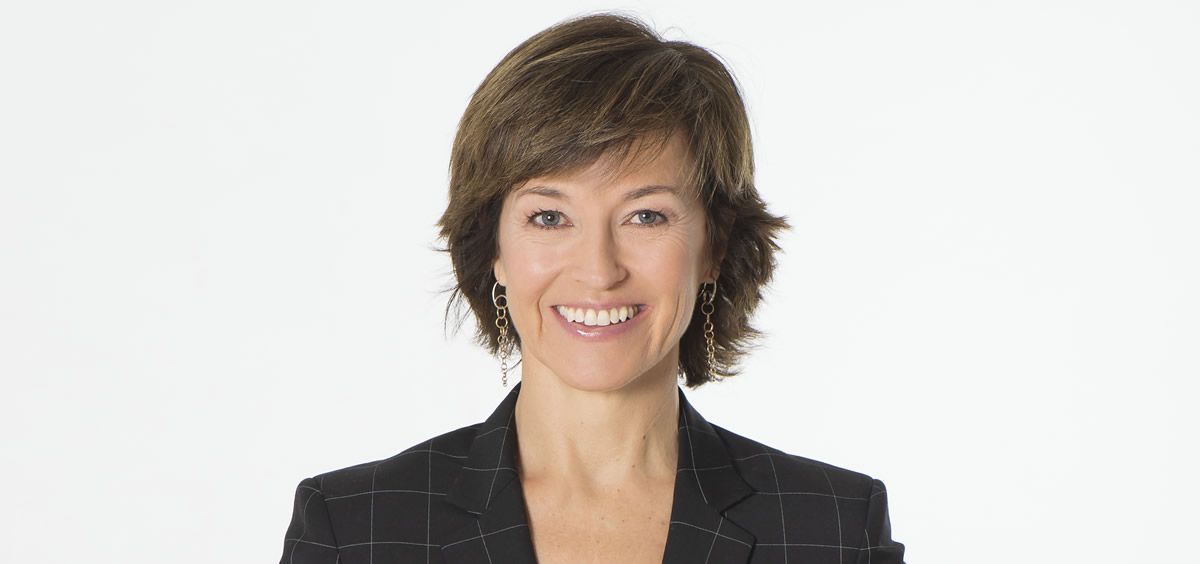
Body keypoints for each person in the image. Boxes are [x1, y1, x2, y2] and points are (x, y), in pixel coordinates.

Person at [279, 12, 905, 564]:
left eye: (645, 216)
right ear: (493, 247)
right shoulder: (355, 531)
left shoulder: (832, 531)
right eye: (550, 217)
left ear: (714, 246)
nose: (599, 270)